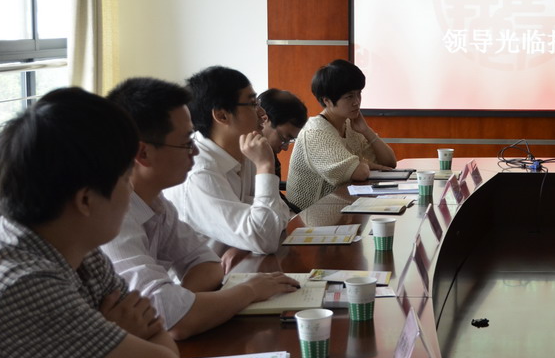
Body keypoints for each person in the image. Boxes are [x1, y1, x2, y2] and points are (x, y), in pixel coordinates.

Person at [0, 87, 190, 358]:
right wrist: (119, 336)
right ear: (85, 201)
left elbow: (156, 339)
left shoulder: (77, 248)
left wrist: (118, 342)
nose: (131, 190)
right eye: (125, 179)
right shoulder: (23, 286)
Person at [104, 78, 300, 340]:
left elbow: (208, 265)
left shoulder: (157, 203)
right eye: (186, 142)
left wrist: (182, 304)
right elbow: (173, 319)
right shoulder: (110, 217)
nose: (195, 151)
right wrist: (250, 290)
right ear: (143, 154)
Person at [166, 66, 291, 255]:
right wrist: (265, 167)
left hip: (240, 264)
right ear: (222, 115)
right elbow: (265, 238)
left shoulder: (245, 152)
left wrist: (242, 244)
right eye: (252, 104)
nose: (263, 114)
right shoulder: (199, 172)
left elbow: (281, 215)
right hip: (204, 274)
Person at [287, 59, 397, 210]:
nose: (357, 102)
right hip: (310, 216)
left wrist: (366, 130)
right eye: (349, 96)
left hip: (342, 208)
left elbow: (389, 162)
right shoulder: (316, 132)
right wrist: (365, 164)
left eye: (359, 94)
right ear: (327, 101)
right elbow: (359, 172)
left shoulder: (349, 125)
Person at [258, 88, 309, 212]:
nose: (285, 147)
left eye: (290, 141)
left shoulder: (270, 154)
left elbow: (275, 196)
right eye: (283, 138)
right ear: (264, 120)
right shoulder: (242, 159)